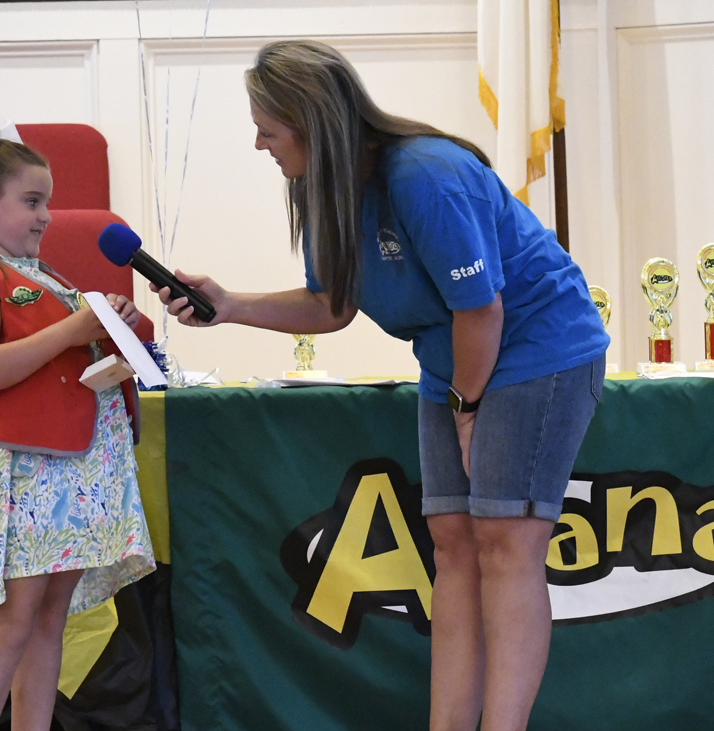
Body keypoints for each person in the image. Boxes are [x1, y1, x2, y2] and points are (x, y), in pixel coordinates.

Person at [154, 41, 609, 731]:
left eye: (268, 130)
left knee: (506, 542)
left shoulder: (426, 174)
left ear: (311, 123)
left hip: (536, 348)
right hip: (453, 357)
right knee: (452, 543)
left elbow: (482, 307)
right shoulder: (324, 188)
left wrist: (468, 404)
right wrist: (231, 304)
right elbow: (331, 305)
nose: (258, 144)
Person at [0, 108, 156, 731]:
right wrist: (72, 328)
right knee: (14, 618)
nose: (45, 216)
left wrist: (110, 338)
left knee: (52, 617)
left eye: (45, 202)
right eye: (31, 201)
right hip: (22, 473)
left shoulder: (43, 276)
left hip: (72, 471)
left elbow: (62, 359)